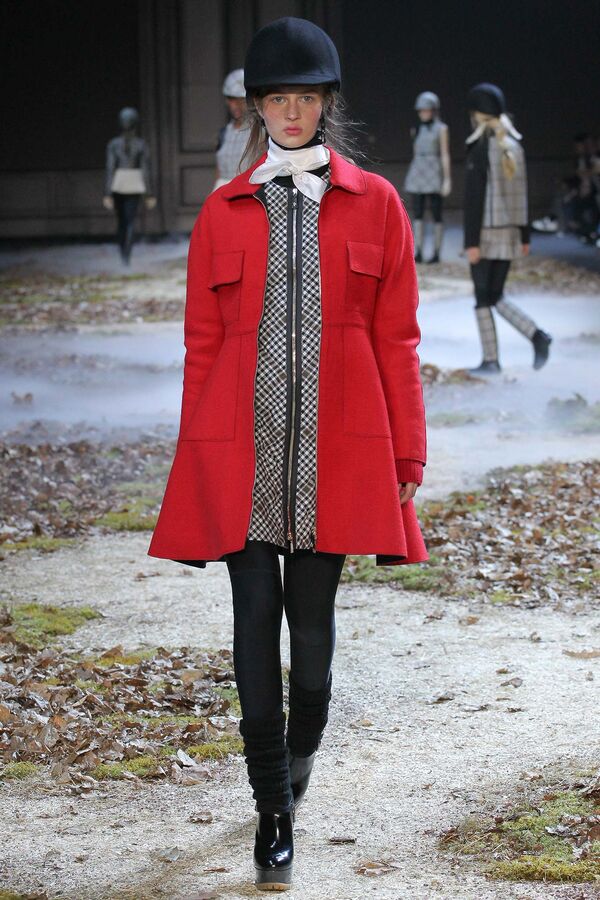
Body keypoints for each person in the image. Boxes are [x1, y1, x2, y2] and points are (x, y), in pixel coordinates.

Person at [147, 16, 427, 891]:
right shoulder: (223, 211)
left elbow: (398, 339)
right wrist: (197, 451)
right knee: (251, 622)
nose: (292, 111)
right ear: (257, 108)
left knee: (312, 634)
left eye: (306, 97)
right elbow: (201, 343)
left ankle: (301, 753)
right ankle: (272, 810)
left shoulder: (377, 204)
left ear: (326, 104)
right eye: (277, 99)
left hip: (337, 454)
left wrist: (407, 456)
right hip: (243, 454)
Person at [463, 83, 552, 374]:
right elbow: (523, 194)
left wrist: (471, 241)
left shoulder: (480, 150)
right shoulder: (514, 146)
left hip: (486, 233)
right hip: (510, 232)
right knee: (496, 296)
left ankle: (491, 360)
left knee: (483, 298)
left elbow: (474, 200)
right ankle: (537, 335)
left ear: (477, 115)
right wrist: (524, 235)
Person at [103, 107, 156, 265]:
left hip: (119, 183)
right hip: (134, 183)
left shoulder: (114, 144)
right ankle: (126, 256)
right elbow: (145, 170)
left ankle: (123, 256)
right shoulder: (141, 144)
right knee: (130, 221)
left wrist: (107, 192)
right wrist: (149, 193)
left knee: (122, 221)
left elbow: (110, 169)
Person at [403, 91, 451, 264]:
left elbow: (444, 154)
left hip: (434, 170)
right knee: (417, 212)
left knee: (437, 212)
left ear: (433, 110)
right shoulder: (415, 129)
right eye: (421, 110)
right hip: (418, 170)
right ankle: (418, 250)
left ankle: (437, 251)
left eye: (426, 110)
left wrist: (447, 179)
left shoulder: (441, 129)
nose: (423, 113)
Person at [212, 68, 251, 191]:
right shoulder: (224, 133)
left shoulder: (260, 131)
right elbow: (219, 169)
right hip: (223, 188)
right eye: (232, 100)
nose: (236, 106)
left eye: (241, 100)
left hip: (247, 189)